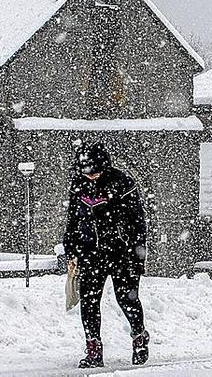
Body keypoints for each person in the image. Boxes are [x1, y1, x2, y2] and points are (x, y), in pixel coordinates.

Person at [63, 143, 149, 368]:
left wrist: (137, 255)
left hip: (122, 253)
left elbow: (138, 222)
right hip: (90, 253)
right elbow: (73, 221)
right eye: (86, 172)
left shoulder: (122, 183)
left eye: (95, 171)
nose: (91, 176)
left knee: (126, 298)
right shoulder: (78, 186)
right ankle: (93, 349)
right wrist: (71, 250)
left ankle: (139, 336)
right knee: (89, 301)